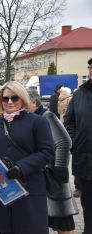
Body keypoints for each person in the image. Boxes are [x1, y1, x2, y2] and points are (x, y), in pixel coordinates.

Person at [0, 81, 55, 234]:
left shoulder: (37, 122)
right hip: (2, 188)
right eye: (5, 98)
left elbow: (47, 152)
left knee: (28, 229)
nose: (10, 102)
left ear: (23, 99)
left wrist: (21, 167)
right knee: (5, 229)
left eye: (15, 98)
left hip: (29, 187)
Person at [28, 88, 78, 234]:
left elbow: (64, 141)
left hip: (53, 177)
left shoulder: (46, 116)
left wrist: (60, 168)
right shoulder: (30, 119)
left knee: (63, 222)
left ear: (34, 102)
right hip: (39, 176)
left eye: (25, 102)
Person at [64, 58, 92, 234]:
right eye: (91, 67)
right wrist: (75, 143)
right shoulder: (80, 94)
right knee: (87, 201)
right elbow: (69, 122)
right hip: (84, 157)